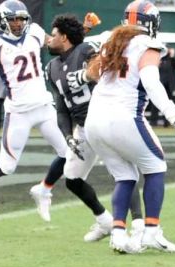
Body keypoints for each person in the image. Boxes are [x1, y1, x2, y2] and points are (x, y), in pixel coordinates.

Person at [67, 0, 175, 253]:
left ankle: (119, 235)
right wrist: (174, 115)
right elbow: (152, 83)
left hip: (94, 120)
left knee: (125, 176)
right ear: (151, 24)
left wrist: (80, 76)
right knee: (156, 166)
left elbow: (92, 71)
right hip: (123, 116)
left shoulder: (109, 39)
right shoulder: (148, 44)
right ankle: (151, 233)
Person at [0, 0, 68, 222]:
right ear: (2, 21)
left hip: (43, 106)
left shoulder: (35, 32)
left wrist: (80, 33)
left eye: (21, 18)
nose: (18, 23)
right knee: (7, 166)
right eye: (13, 19)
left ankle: (43, 189)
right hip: (19, 111)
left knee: (68, 155)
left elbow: (57, 46)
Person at [46, 14, 144, 243]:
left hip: (105, 118)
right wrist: (68, 135)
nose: (49, 40)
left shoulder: (85, 50)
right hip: (83, 127)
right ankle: (105, 221)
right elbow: (61, 109)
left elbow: (106, 66)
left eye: (53, 35)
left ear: (64, 37)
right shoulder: (51, 67)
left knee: (123, 174)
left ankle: (139, 225)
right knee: (72, 179)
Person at [150, 45, 175, 126]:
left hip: (169, 85)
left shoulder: (170, 60)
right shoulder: (158, 59)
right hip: (159, 84)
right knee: (155, 103)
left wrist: (172, 56)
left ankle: (167, 122)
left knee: (168, 103)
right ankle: (153, 121)